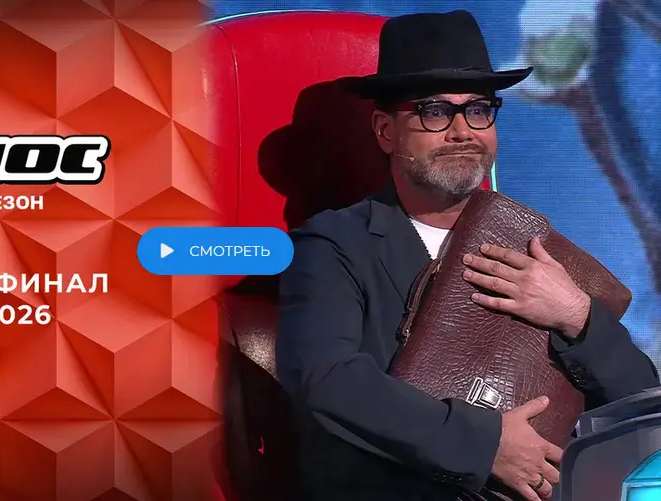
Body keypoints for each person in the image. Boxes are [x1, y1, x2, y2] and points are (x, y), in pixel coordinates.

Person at [276, 10, 660, 501]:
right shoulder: (333, 245)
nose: (463, 131)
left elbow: (639, 406)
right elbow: (325, 378)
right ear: (386, 131)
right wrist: (485, 446)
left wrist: (575, 317)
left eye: (478, 110)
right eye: (435, 111)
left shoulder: (537, 250)